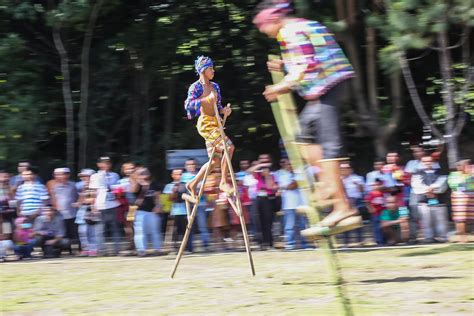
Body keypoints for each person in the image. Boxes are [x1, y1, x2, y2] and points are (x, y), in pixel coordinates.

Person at [253, 0, 361, 237]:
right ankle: (326, 189)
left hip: (328, 88)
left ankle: (342, 206)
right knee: (303, 139)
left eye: (261, 24)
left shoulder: (291, 31)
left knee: (330, 147)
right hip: (328, 87)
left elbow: (305, 65)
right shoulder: (305, 26)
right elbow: (313, 55)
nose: (261, 30)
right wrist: (285, 64)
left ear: (272, 18)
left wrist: (280, 87)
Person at [183, 56, 234, 203]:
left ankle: (192, 184)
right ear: (204, 70)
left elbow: (216, 106)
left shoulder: (215, 86)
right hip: (206, 124)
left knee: (214, 162)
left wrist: (224, 111)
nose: (213, 71)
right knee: (229, 147)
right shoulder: (196, 87)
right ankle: (223, 182)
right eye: (211, 68)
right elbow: (188, 105)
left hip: (215, 123)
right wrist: (205, 100)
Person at [411, 155, 449, 243]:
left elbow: (442, 183)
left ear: (433, 162)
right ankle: (429, 238)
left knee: (440, 220)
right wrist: (427, 191)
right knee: (426, 221)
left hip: (439, 200)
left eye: (429, 161)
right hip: (424, 200)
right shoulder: (417, 173)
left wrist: (433, 189)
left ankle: (442, 237)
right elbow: (416, 185)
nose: (427, 163)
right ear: (421, 162)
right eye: (424, 161)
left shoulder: (440, 172)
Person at [89, 156, 121, 255]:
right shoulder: (95, 176)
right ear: (99, 165)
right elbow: (93, 192)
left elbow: (118, 189)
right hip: (100, 204)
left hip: (113, 203)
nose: (106, 165)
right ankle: (101, 250)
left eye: (108, 163)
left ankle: (117, 249)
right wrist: (93, 206)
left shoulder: (115, 175)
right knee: (100, 229)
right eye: (103, 163)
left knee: (115, 227)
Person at [275, 158, 309, 250]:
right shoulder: (281, 175)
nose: (290, 166)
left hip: (301, 204)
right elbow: (275, 187)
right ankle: (290, 244)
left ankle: (305, 244)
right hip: (288, 205)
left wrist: (283, 187)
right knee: (289, 226)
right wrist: (285, 187)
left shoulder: (300, 173)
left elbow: (294, 185)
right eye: (288, 164)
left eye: (291, 164)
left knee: (303, 226)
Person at [129, 167, 162, 257]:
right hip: (140, 211)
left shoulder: (154, 184)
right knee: (140, 231)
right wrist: (139, 181)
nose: (144, 174)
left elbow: (157, 197)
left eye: (145, 172)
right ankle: (141, 250)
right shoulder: (137, 184)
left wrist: (158, 205)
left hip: (152, 211)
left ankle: (157, 249)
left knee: (155, 231)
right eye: (141, 173)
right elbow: (133, 190)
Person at [182, 158, 210, 251]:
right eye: (189, 164)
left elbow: (204, 187)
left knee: (203, 225)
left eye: (193, 164)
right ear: (186, 166)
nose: (191, 166)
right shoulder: (184, 176)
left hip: (201, 203)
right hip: (189, 204)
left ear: (196, 165)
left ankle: (206, 245)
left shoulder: (201, 174)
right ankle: (190, 247)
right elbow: (185, 187)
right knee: (190, 225)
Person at [163, 169, 192, 253]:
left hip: (185, 210)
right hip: (174, 211)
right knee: (174, 231)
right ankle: (175, 248)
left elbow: (189, 196)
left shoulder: (185, 185)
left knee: (186, 230)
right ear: (172, 175)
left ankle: (187, 248)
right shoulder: (169, 186)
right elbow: (168, 199)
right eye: (176, 174)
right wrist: (174, 191)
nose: (179, 176)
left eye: (180, 174)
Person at [50, 168, 78, 253]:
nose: (58, 176)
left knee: (74, 233)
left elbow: (78, 196)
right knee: (62, 233)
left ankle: (78, 249)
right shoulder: (54, 186)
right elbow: (53, 199)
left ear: (67, 175)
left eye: (61, 174)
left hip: (72, 213)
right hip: (59, 214)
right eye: (56, 175)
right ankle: (65, 250)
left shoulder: (74, 185)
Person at [74, 169, 101, 257]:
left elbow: (93, 199)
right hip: (83, 210)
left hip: (92, 210)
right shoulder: (81, 186)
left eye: (86, 176)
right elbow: (80, 201)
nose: (84, 178)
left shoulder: (96, 186)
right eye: (82, 176)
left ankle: (93, 249)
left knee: (92, 232)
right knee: (82, 231)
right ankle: (85, 249)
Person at [448, 159, 473, 243]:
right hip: (459, 198)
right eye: (464, 165)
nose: (467, 167)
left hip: (472, 197)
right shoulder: (454, 175)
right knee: (460, 218)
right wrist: (468, 176)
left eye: (468, 165)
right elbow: (455, 185)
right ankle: (462, 238)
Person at [340, 162, 365, 246]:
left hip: (355, 202)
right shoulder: (338, 179)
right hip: (343, 203)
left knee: (357, 221)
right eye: (342, 169)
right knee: (344, 222)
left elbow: (363, 190)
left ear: (350, 169)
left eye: (346, 168)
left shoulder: (357, 178)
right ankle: (346, 243)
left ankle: (360, 241)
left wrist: (358, 185)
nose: (344, 170)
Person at [365, 179, 385, 245]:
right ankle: (379, 241)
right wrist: (370, 208)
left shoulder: (382, 193)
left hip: (382, 213)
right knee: (377, 227)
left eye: (377, 185)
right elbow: (367, 202)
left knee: (382, 227)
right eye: (374, 185)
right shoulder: (371, 193)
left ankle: (383, 240)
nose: (376, 186)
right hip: (375, 213)